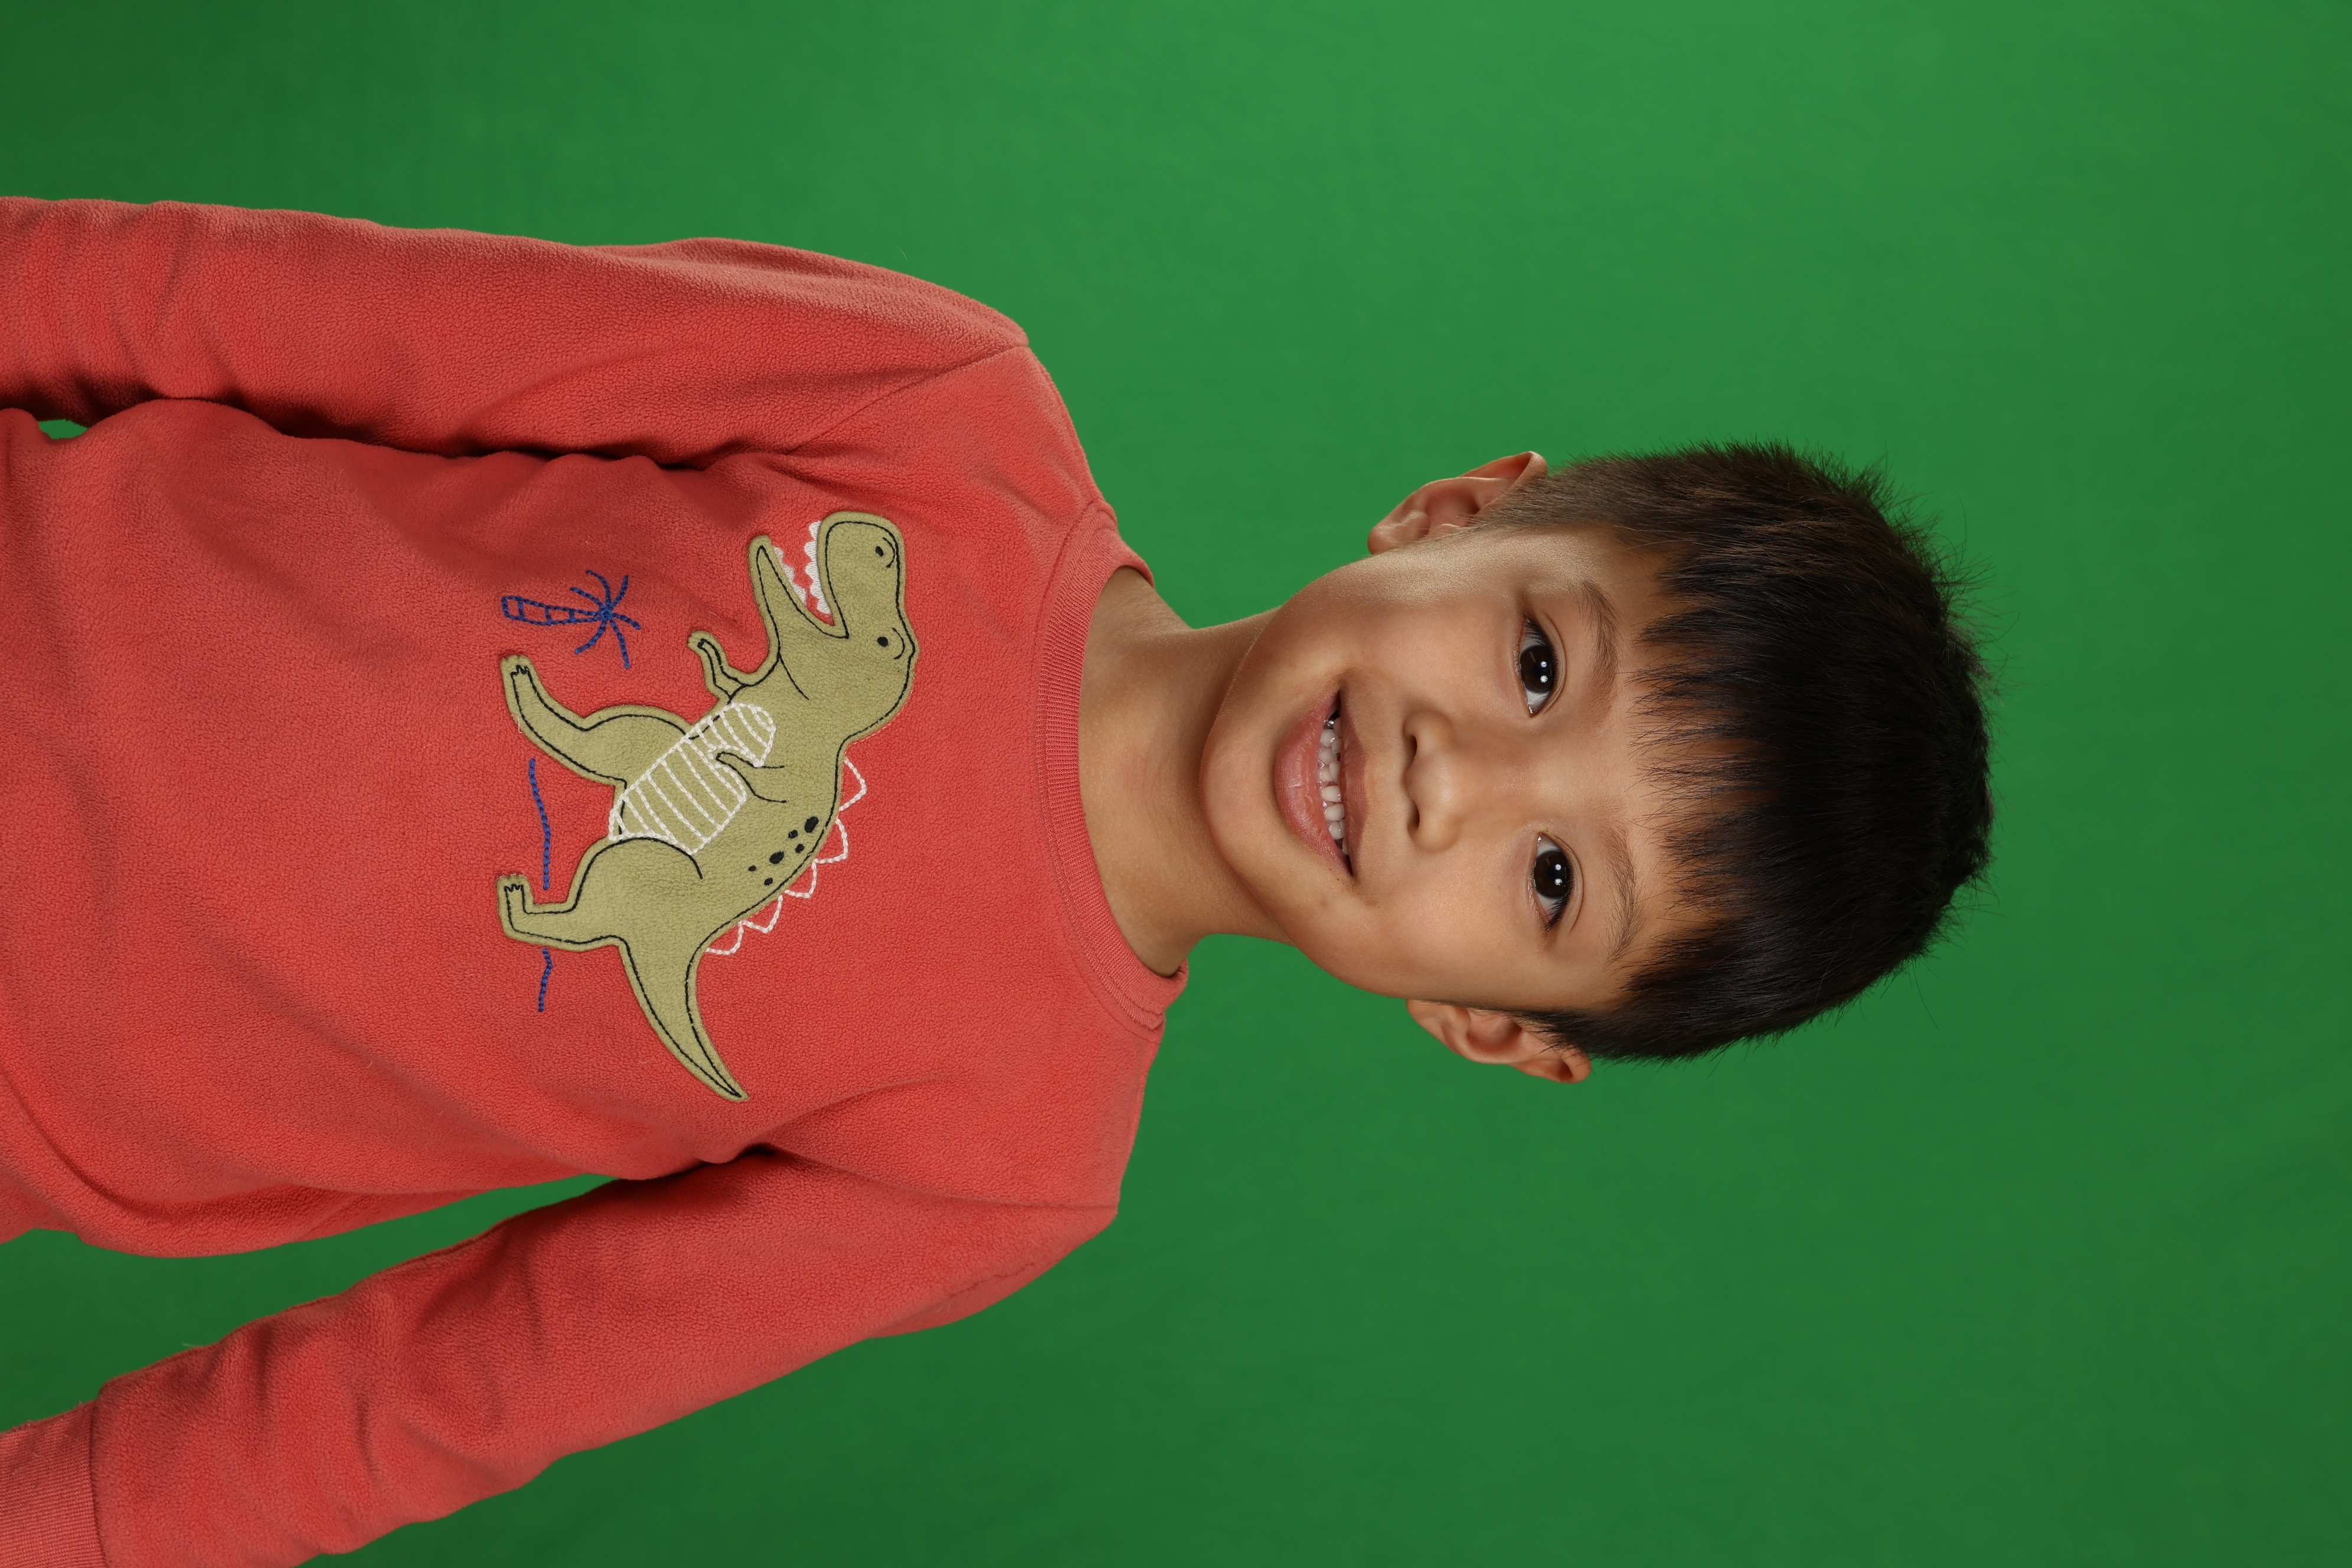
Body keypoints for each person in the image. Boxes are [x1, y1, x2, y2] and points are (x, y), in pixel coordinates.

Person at [0, 197, 1991, 1566]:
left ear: (1490, 1019)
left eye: (1553, 881)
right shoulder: (937, 412)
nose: (1448, 775)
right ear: (1461, 511)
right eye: (1539, 664)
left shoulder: (1004, 1167)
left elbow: (433, 1395)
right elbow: (274, 309)